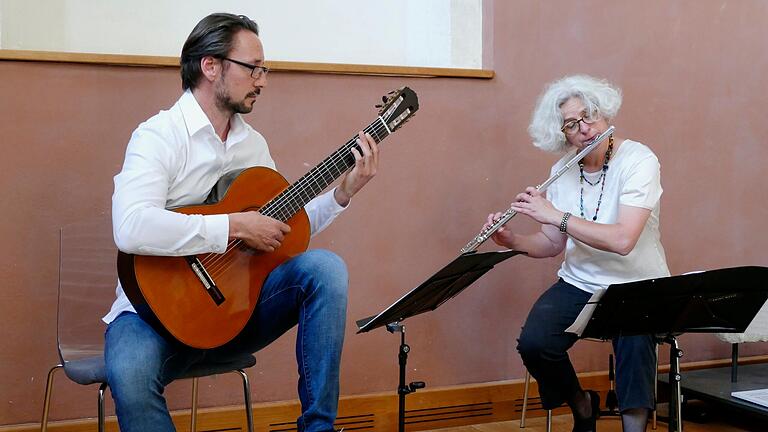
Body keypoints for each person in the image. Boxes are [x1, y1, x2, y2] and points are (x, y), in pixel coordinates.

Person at [103, 13, 380, 432]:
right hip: (151, 314)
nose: (262, 80)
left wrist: (343, 193)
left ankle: (319, 427)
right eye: (253, 68)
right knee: (130, 374)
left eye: (265, 70)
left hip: (234, 311)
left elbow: (281, 232)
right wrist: (233, 226)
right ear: (210, 66)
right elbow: (131, 227)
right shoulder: (157, 136)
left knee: (326, 269)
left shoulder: (253, 146)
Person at [484, 75, 669, 432]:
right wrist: (514, 241)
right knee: (535, 344)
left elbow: (622, 240)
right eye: (572, 124)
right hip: (581, 282)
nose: (584, 129)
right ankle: (584, 406)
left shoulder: (639, 160)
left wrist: (555, 215)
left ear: (603, 115)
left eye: (590, 116)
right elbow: (553, 244)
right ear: (562, 135)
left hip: (637, 282)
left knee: (634, 342)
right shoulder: (562, 171)